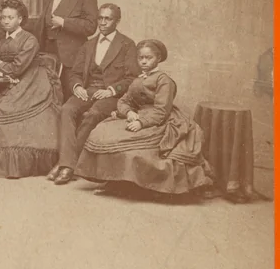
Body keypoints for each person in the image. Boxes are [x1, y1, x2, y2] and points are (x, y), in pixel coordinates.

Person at [76, 40, 214, 196]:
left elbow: (162, 111)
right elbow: (123, 101)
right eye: (140, 58)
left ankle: (137, 184)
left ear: (158, 58)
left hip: (159, 120)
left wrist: (141, 122)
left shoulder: (164, 80)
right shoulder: (138, 80)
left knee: (130, 142)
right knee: (102, 131)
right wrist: (128, 112)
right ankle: (114, 179)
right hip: (137, 115)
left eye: (148, 58)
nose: (143, 61)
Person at [0, 0, 60, 178]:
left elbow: (19, 67)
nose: (5, 21)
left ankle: (19, 163)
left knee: (9, 107)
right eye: (3, 17)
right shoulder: (2, 40)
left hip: (30, 80)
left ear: (20, 19)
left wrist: (0, 65)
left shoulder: (29, 40)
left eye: (10, 17)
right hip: (6, 80)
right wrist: (1, 73)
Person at [51, 3, 138, 185]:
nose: (103, 23)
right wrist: (77, 87)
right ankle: (68, 163)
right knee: (66, 109)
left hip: (111, 95)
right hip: (88, 90)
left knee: (94, 114)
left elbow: (132, 77)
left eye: (108, 19)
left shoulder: (127, 45)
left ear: (117, 21)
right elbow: (74, 72)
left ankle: (66, 165)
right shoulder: (88, 44)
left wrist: (111, 90)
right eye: (100, 18)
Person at [35, 0, 98, 90]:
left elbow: (91, 26)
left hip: (71, 57)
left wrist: (64, 22)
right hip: (47, 53)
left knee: (67, 93)